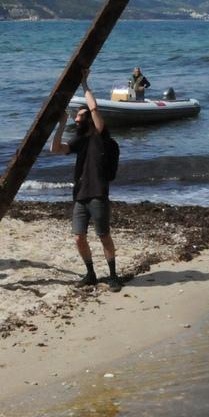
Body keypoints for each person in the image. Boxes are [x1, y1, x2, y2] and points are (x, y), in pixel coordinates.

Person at [50, 75, 123, 292]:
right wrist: (61, 124)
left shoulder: (101, 135)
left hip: (98, 193)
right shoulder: (80, 141)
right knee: (78, 237)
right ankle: (90, 274)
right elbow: (55, 149)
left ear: (89, 119)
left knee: (103, 235)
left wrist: (83, 83)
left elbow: (93, 108)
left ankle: (113, 276)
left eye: (79, 116)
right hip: (80, 194)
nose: (77, 119)